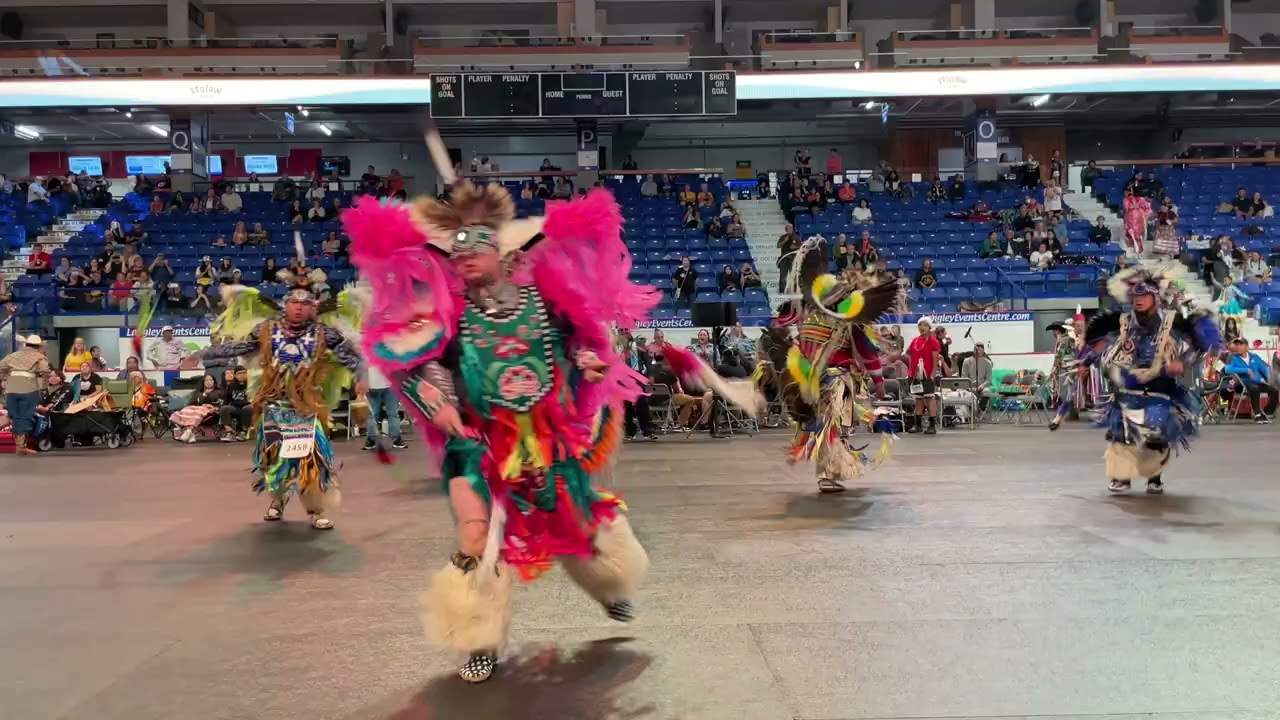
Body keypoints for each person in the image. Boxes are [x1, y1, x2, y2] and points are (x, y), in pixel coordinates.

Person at [345, 179, 720, 684]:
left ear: (499, 251)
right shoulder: (447, 317)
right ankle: (480, 639)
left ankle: (608, 588)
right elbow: (413, 365)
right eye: (456, 255)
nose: (465, 260)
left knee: (580, 527)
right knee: (478, 539)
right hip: (479, 447)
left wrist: (588, 361)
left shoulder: (545, 304)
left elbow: (582, 345)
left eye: (476, 248)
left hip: (547, 442)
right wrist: (438, 404)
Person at [184, 264, 364, 530]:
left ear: (314, 306)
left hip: (306, 406)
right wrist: (204, 354)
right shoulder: (267, 330)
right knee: (273, 459)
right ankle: (278, 501)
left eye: (305, 303)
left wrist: (361, 378)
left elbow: (350, 357)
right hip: (273, 404)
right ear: (285, 303)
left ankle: (315, 509)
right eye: (294, 302)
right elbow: (242, 347)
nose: (299, 307)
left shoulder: (324, 333)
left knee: (311, 459)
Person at [1082, 265, 1222, 494]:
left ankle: (1154, 476)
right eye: (1136, 296)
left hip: (1160, 387)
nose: (1139, 300)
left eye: (1144, 296)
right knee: (1121, 434)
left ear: (1155, 298)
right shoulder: (1123, 321)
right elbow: (1099, 342)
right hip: (1128, 388)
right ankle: (1122, 477)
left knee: (1157, 433)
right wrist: (1086, 362)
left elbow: (1200, 345)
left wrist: (1183, 363)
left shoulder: (1173, 321)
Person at [775, 237, 900, 492]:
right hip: (835, 383)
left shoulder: (808, 322)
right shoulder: (845, 322)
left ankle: (831, 472)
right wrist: (878, 382)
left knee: (826, 428)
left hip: (812, 383)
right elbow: (867, 352)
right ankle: (829, 474)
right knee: (833, 428)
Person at [0, 335, 51, 455]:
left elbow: (1, 367)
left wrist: (5, 380)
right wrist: (43, 386)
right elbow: (44, 371)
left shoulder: (13, 355)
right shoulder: (39, 357)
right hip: (29, 388)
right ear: (39, 346)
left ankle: (20, 445)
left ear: (26, 344)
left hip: (11, 388)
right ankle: (21, 446)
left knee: (14, 415)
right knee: (25, 415)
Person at [1221, 337, 1278, 423]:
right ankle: (1257, 414)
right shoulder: (1234, 358)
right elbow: (1228, 369)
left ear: (1247, 347)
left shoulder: (1254, 357)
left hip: (1256, 383)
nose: (1238, 346)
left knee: (1274, 390)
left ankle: (1265, 413)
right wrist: (1246, 370)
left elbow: (1264, 369)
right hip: (1241, 385)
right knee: (1254, 388)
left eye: (1241, 344)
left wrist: (1270, 379)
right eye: (1237, 345)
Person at [906, 316, 942, 435]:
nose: (922, 327)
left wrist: (932, 374)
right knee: (919, 398)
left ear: (930, 327)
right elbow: (910, 356)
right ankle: (918, 424)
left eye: (925, 325)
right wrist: (910, 372)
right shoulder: (915, 341)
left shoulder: (933, 341)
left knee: (929, 397)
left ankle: (932, 424)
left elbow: (935, 358)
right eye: (920, 325)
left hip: (927, 374)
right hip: (916, 374)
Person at [362, 365, 407, 451]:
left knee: (373, 414)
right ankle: (397, 439)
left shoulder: (367, 352)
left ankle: (371, 440)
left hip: (373, 385)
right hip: (388, 384)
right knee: (393, 413)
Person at [1046, 321, 1080, 431]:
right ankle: (1061, 418)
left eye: (1054, 331)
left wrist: (1053, 369)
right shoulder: (1070, 340)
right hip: (1072, 370)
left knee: (1066, 395)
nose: (1053, 333)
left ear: (1057, 331)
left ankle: (1058, 419)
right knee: (1068, 395)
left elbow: (1058, 357)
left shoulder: (1062, 341)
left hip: (1066, 371)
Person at [219, 366, 253, 441]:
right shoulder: (231, 386)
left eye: (244, 373)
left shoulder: (251, 384)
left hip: (248, 407)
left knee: (247, 408)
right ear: (235, 375)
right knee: (224, 409)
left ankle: (243, 432)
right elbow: (227, 399)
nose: (242, 375)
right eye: (239, 373)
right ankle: (230, 432)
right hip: (235, 407)